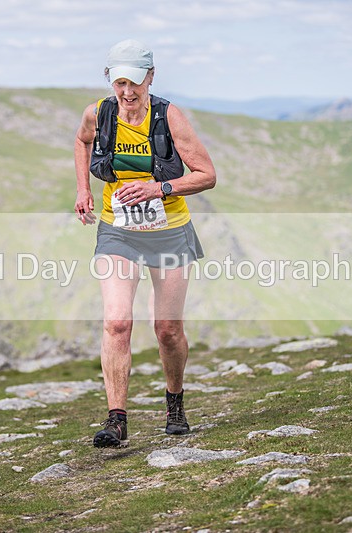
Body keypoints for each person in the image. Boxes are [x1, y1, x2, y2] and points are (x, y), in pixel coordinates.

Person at [73, 39, 217, 448]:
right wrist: (83, 189)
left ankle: (174, 402)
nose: (128, 91)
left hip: (169, 230)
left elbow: (207, 174)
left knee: (167, 329)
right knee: (117, 322)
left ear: (150, 77)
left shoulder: (169, 117)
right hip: (117, 230)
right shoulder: (98, 114)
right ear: (110, 79)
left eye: (135, 82)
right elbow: (82, 142)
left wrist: (159, 188)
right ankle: (116, 420)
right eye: (119, 82)